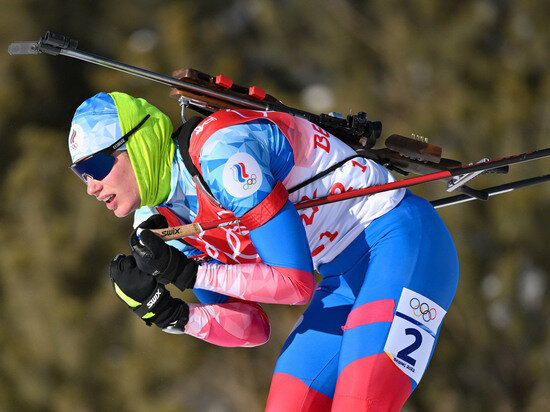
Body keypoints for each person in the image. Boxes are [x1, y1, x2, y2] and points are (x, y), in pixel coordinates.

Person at [68, 91, 459, 411]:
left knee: (359, 402)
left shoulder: (220, 153)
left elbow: (296, 284)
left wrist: (190, 274)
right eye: (81, 174)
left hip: (402, 242)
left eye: (98, 165)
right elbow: (253, 327)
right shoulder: (160, 224)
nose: (91, 186)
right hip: (343, 281)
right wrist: (174, 314)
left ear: (137, 144)